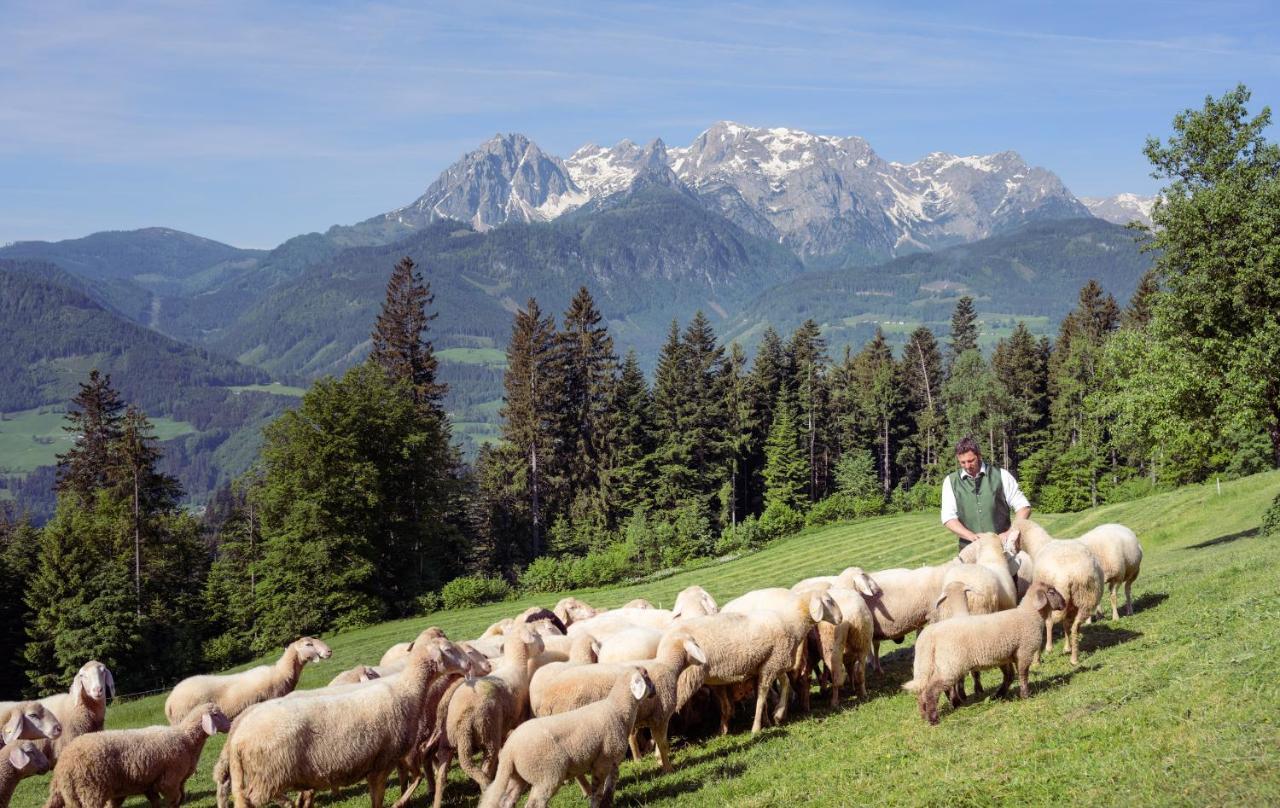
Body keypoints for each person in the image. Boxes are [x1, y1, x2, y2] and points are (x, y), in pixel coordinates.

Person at [940, 436, 1031, 553]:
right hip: (970, 551)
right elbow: (948, 518)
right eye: (962, 462)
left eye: (971, 461)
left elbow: (1024, 507)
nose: (967, 466)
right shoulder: (950, 481)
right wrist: (971, 536)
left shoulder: (1001, 476)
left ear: (979, 456)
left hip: (1004, 549)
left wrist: (1011, 532)